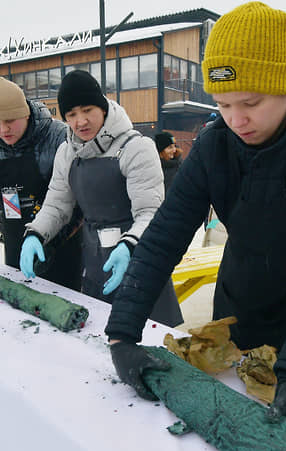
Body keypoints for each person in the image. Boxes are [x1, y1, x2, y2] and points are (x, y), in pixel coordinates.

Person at [103, 2, 286, 423]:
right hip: (236, 308)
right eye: (223, 105)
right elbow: (166, 234)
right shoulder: (215, 145)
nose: (236, 120)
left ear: (285, 84)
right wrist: (122, 333)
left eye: (250, 102)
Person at [20, 69, 183, 327]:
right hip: (95, 262)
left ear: (103, 108)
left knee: (148, 343)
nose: (80, 121)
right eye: (71, 114)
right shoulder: (67, 152)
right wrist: (35, 234)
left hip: (140, 259)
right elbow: (57, 204)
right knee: (99, 336)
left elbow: (151, 212)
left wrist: (129, 245)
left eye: (87, 110)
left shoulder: (136, 147)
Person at [0, 76, 82, 289]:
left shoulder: (58, 137)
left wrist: (53, 242)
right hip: (14, 237)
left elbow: (76, 199)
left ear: (25, 114)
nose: (4, 129)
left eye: (10, 121)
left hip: (61, 242)